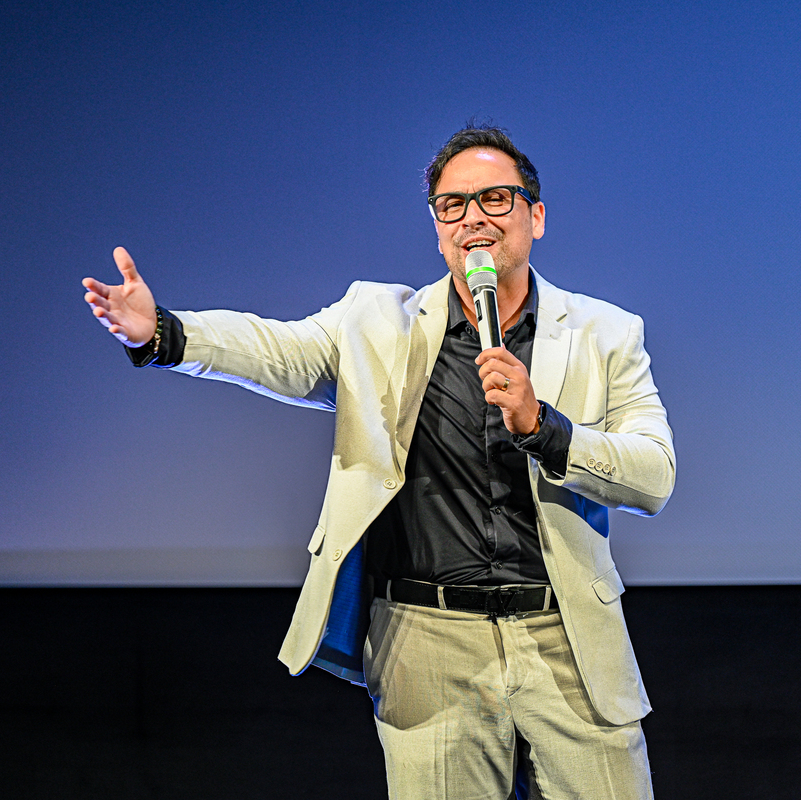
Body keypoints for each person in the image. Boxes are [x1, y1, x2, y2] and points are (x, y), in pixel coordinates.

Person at [82, 124, 675, 799]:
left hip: (566, 638)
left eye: (495, 198)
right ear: (438, 229)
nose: (473, 218)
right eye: (452, 205)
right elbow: (278, 351)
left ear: (535, 216)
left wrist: (546, 428)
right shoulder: (377, 321)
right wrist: (164, 330)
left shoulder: (606, 333)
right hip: (429, 642)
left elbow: (654, 474)